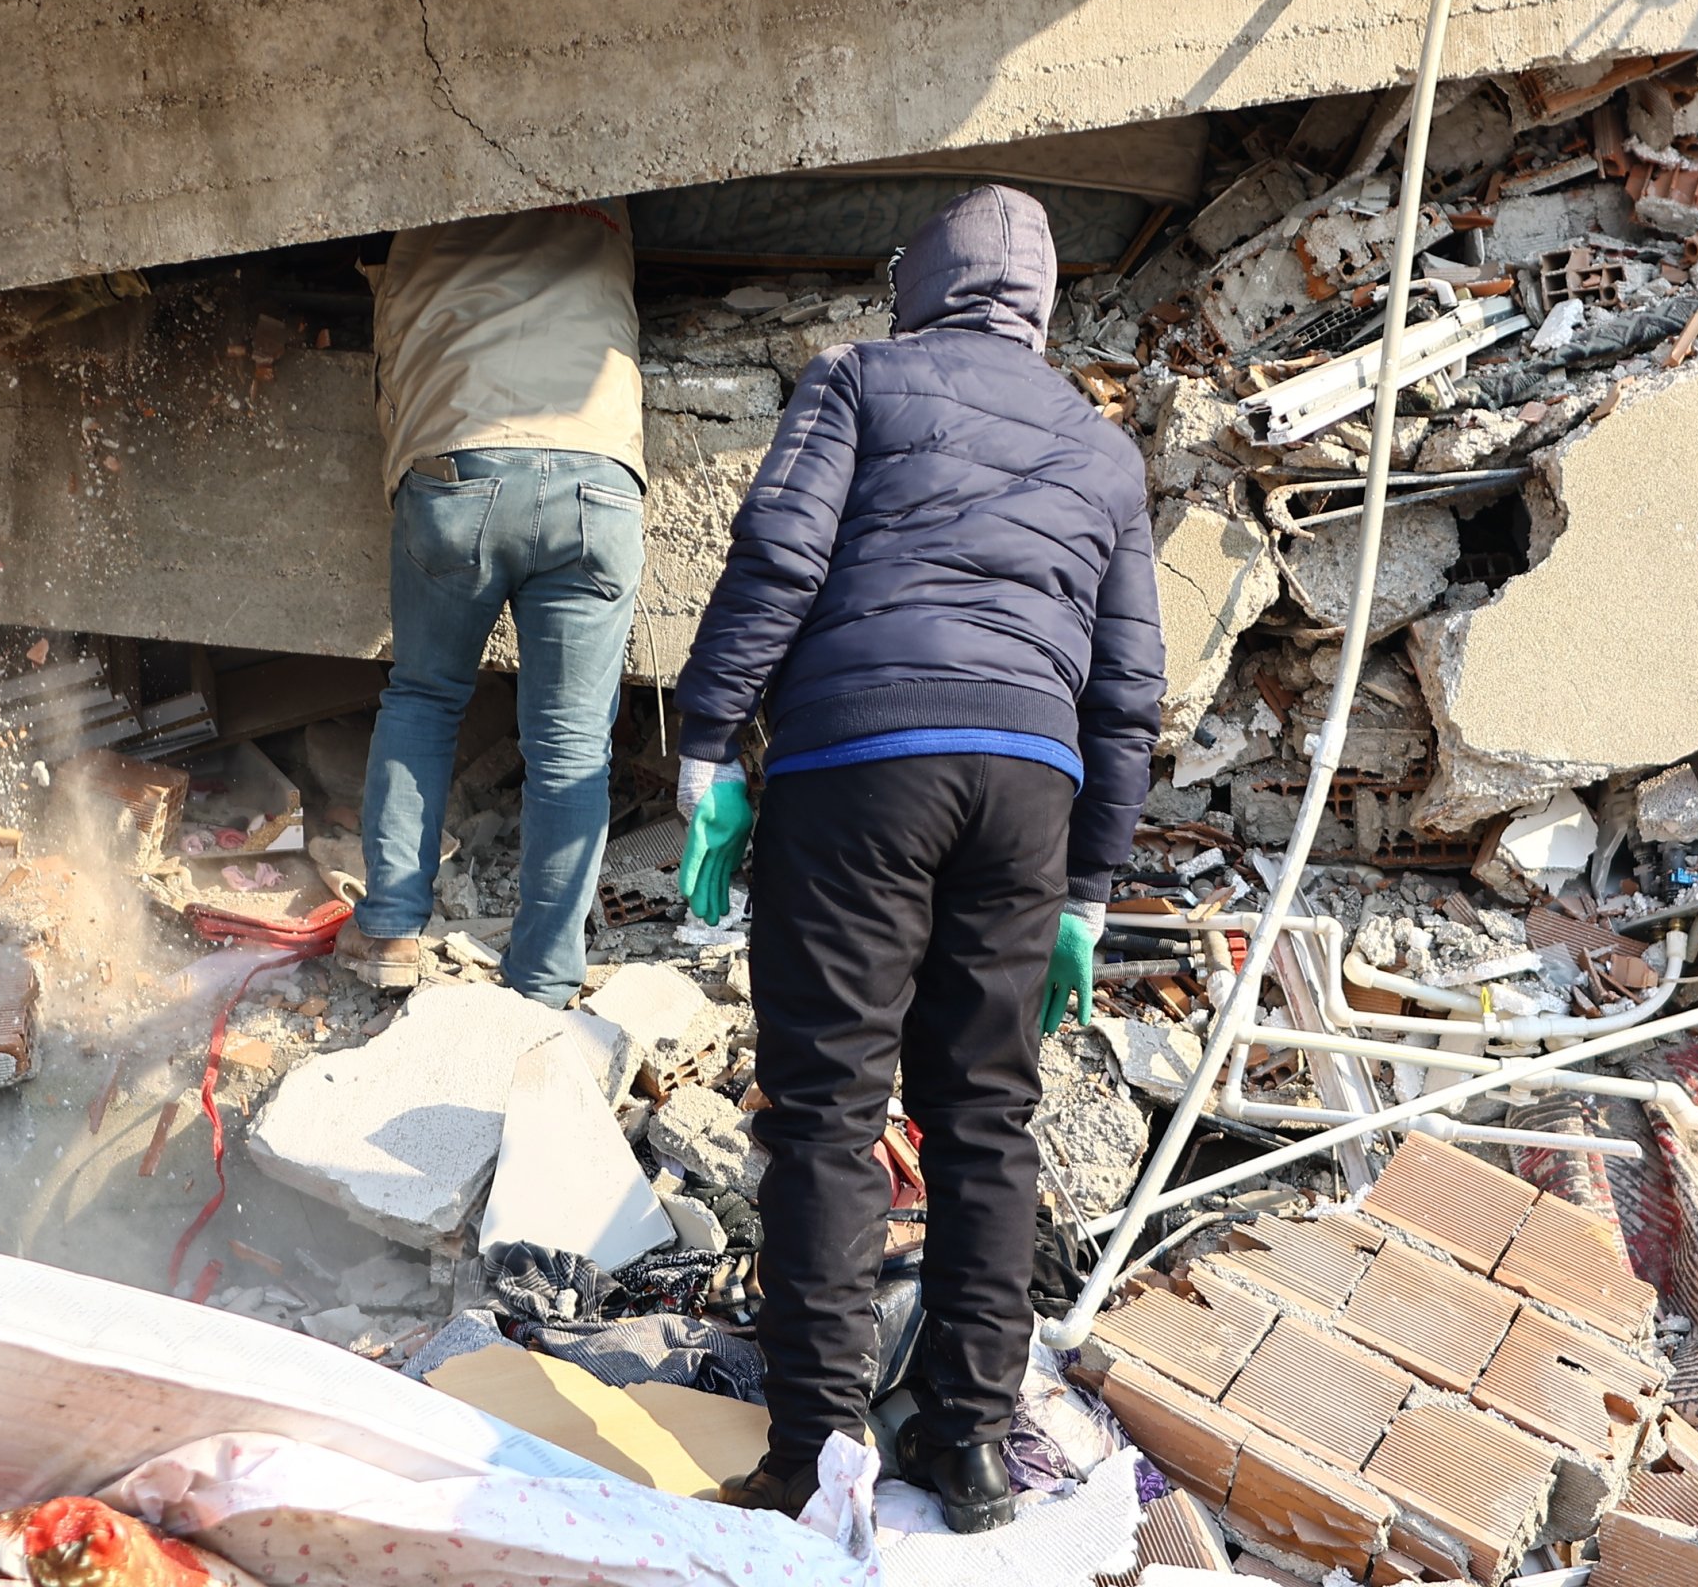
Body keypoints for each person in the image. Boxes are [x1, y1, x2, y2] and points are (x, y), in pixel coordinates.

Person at [669, 184, 1164, 1532]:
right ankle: (971, 1446)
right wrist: (1092, 888)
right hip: (1028, 795)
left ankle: (816, 1454)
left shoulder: (859, 382)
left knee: (829, 1110)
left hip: (861, 768)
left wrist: (707, 744)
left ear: (923, 282)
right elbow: (1127, 692)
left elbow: (777, 555)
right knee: (985, 1120)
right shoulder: (1106, 457)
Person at [334, 203, 647, 1008]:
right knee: (573, 750)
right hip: (596, 477)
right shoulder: (610, 208)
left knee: (426, 698)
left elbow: (392, 368)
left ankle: (393, 929)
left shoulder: (419, 203)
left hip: (461, 467)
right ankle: (542, 984)